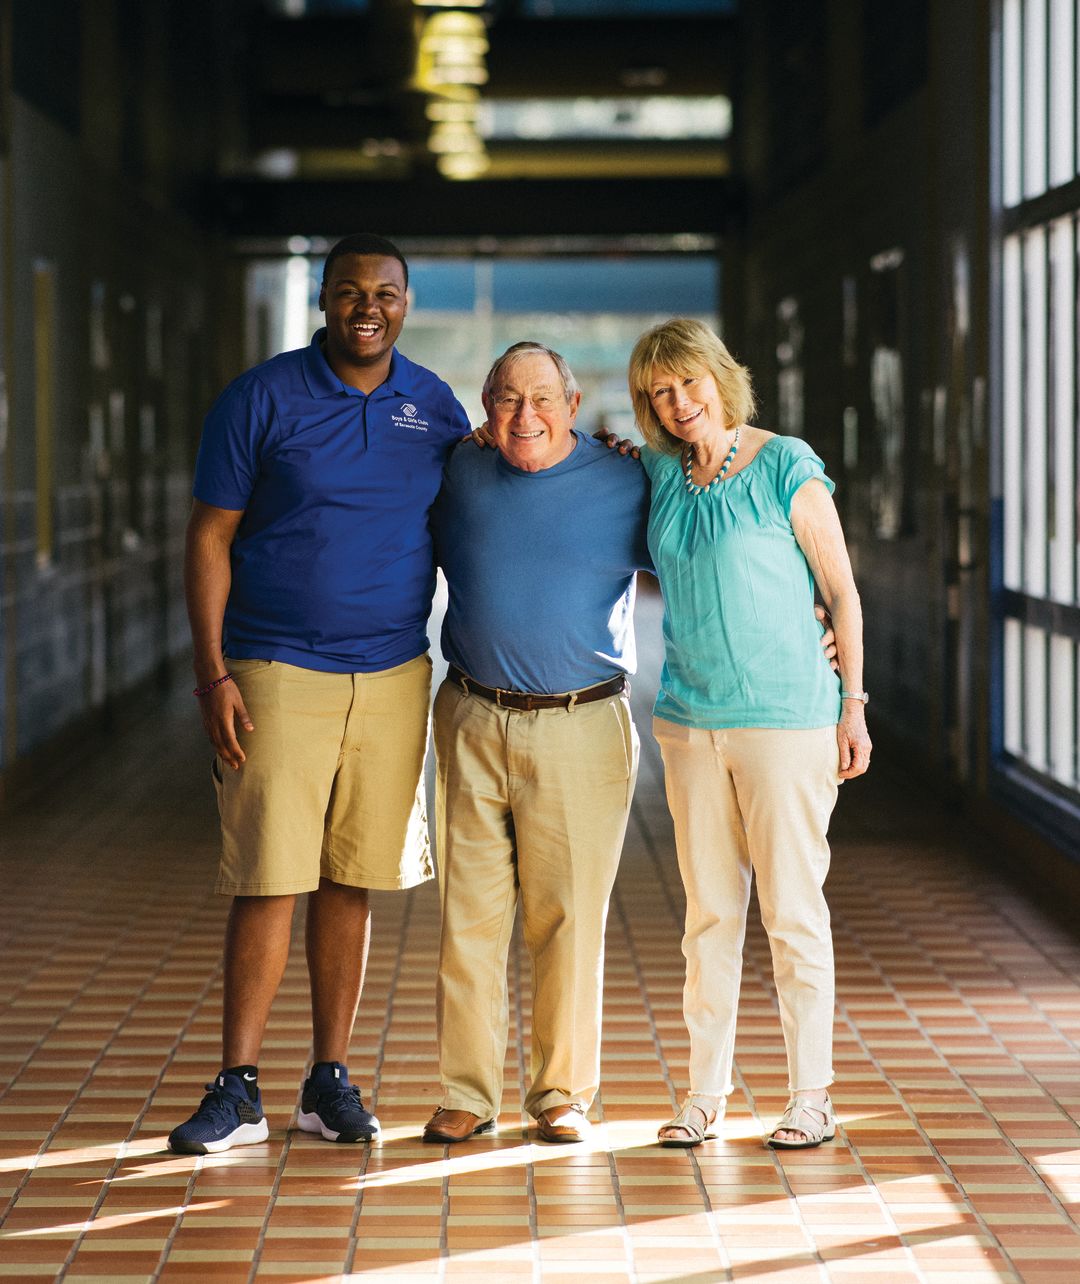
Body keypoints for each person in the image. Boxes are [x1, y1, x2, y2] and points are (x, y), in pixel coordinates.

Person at [169, 234, 470, 1155]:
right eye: (348, 292)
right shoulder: (262, 397)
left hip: (391, 673)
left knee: (351, 876)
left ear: (407, 304)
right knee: (267, 876)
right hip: (275, 668)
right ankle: (238, 1087)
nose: (366, 307)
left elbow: (489, 499)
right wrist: (212, 671)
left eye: (384, 292)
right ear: (327, 302)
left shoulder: (434, 405)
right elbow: (210, 535)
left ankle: (327, 1082)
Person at [627, 317, 871, 1150]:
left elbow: (842, 593)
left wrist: (854, 705)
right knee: (709, 919)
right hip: (691, 725)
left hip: (786, 721)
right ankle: (704, 1096)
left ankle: (811, 1096)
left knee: (794, 913)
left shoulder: (783, 465)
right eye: (660, 392)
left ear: (720, 379)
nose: (678, 402)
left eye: (689, 383)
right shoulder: (660, 472)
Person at [422, 342, 651, 1145]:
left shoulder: (627, 480)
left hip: (582, 724)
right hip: (471, 716)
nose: (526, 416)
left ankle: (560, 1094)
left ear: (573, 402)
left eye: (543, 399)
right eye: (508, 399)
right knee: (469, 919)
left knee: (569, 919)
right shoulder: (456, 472)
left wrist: (823, 620)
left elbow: (702, 560)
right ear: (485, 406)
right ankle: (467, 1092)